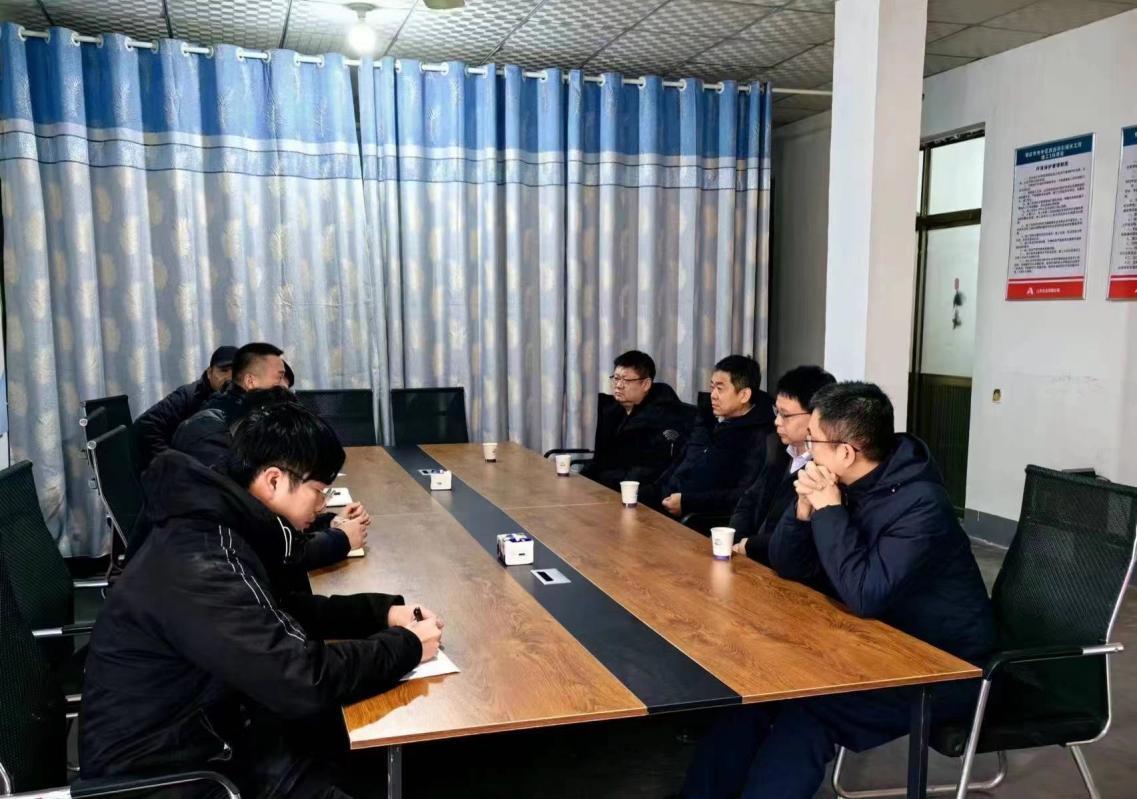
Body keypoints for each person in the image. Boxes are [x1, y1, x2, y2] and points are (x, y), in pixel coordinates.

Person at [79, 402, 444, 798]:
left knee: (347, 745)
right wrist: (407, 646)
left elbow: (276, 611)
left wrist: (381, 613)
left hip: (212, 733)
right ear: (273, 480)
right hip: (174, 777)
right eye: (318, 492)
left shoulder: (218, 527)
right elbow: (302, 679)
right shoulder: (202, 559)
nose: (322, 506)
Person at [682, 381, 995, 799]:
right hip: (873, 646)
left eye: (813, 440)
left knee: (807, 711)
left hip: (942, 668)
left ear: (846, 452)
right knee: (756, 691)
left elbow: (864, 594)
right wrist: (802, 513)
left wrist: (829, 510)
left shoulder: (921, 505)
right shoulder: (847, 481)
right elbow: (788, 565)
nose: (806, 450)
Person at [642, 355, 774, 521]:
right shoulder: (706, 418)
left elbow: (742, 496)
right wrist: (654, 490)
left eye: (720, 389)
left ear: (744, 395)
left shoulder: (761, 436)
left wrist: (687, 503)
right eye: (712, 387)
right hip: (664, 502)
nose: (713, 395)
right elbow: (680, 459)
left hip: (697, 519)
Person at [729, 365, 836, 564]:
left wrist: (749, 546)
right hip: (746, 557)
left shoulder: (824, 470)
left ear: (816, 416)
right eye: (776, 412)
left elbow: (802, 538)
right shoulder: (777, 448)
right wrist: (735, 540)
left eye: (785, 415)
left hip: (780, 565)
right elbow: (749, 501)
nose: (777, 421)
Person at [580, 350, 693, 491]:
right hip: (608, 488)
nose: (618, 385)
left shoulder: (663, 417)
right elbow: (601, 460)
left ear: (646, 384)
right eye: (616, 378)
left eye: (625, 380)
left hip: (635, 494)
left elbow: (646, 473)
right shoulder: (614, 410)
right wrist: (580, 481)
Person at [172, 342, 290, 466]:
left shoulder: (246, 413)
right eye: (279, 377)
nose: (285, 386)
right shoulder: (223, 422)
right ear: (250, 381)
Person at [133, 345, 237, 469]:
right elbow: (145, 425)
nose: (230, 378)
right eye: (223, 371)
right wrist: (172, 463)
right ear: (210, 373)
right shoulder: (188, 396)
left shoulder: (245, 397)